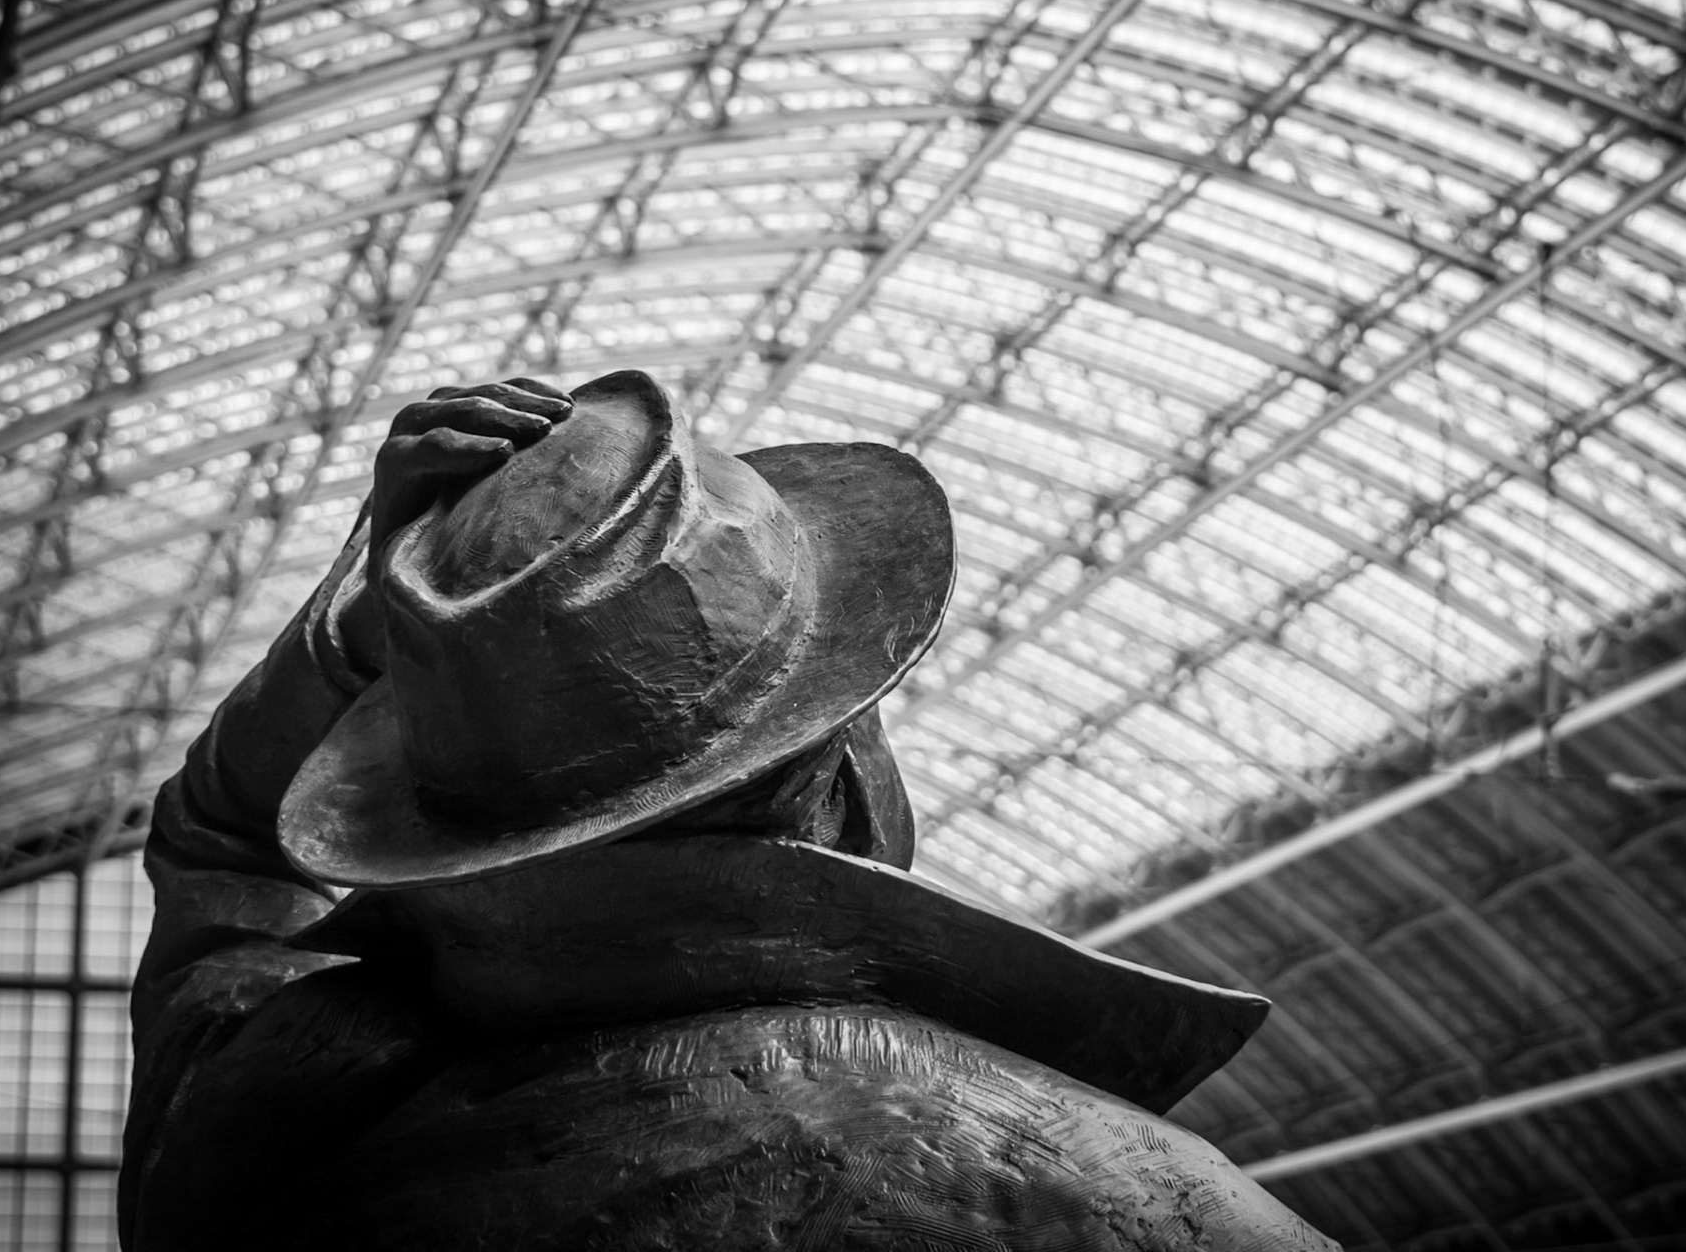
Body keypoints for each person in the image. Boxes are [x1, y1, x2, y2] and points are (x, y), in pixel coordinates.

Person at [121, 371, 1337, 1251]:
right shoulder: (1094, 1186)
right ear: (846, 774)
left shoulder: (283, 1101)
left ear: (448, 812)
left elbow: (218, 855)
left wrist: (363, 624)